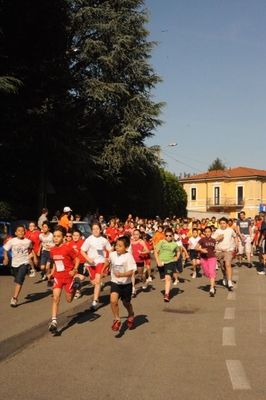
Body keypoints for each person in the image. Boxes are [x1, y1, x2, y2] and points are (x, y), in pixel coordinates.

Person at [47, 226, 80, 333]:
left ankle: (75, 285)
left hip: (68, 277)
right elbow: (56, 263)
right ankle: (54, 321)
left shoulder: (67, 248)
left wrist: (74, 270)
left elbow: (77, 259)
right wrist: (52, 273)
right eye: (54, 236)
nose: (56, 238)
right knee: (55, 298)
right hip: (58, 277)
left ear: (63, 237)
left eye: (58, 236)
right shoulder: (52, 250)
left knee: (69, 300)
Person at [80, 221, 112, 311]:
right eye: (93, 229)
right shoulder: (89, 239)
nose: (95, 230)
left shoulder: (104, 240)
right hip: (91, 263)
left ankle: (95, 301)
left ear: (100, 230)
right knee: (94, 283)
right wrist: (88, 259)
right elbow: (82, 251)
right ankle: (98, 288)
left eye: (97, 229)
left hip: (100, 262)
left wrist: (108, 260)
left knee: (97, 282)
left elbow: (110, 250)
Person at [3, 225, 38, 307]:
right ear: (15, 233)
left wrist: (35, 258)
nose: (21, 232)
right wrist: (6, 258)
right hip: (14, 264)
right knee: (17, 278)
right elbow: (5, 250)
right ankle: (22, 275)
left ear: (25, 232)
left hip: (24, 262)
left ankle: (14, 298)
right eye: (19, 231)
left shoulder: (27, 241)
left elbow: (31, 249)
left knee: (19, 280)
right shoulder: (12, 241)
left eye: (22, 231)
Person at [109, 235, 136, 331]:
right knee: (113, 301)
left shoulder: (128, 257)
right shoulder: (112, 254)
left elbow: (131, 272)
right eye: (116, 245)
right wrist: (103, 270)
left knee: (126, 303)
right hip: (115, 282)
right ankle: (117, 319)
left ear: (126, 247)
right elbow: (108, 261)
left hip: (126, 284)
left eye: (120, 246)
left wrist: (121, 275)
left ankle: (131, 313)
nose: (117, 247)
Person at [154, 227, 180, 302]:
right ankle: (167, 286)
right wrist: (158, 261)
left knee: (168, 278)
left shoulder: (174, 244)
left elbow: (178, 251)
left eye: (170, 235)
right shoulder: (161, 242)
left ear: (172, 236)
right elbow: (156, 252)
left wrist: (177, 257)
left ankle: (167, 294)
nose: (168, 237)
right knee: (163, 279)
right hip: (161, 263)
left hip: (170, 262)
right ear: (164, 236)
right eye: (167, 235)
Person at [212, 217, 238, 289]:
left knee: (228, 264)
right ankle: (225, 276)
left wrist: (236, 244)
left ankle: (230, 281)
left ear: (226, 224)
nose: (222, 225)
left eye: (224, 223)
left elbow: (235, 237)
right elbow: (212, 241)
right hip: (219, 251)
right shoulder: (217, 231)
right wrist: (218, 238)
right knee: (223, 267)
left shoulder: (230, 230)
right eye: (221, 223)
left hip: (228, 250)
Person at [195, 226, 217, 297]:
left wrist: (221, 249)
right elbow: (196, 247)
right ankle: (208, 276)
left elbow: (213, 248)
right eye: (206, 232)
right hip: (204, 259)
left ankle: (212, 288)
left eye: (209, 232)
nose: (207, 233)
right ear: (204, 233)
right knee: (207, 274)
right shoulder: (202, 240)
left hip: (212, 258)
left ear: (211, 232)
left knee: (212, 272)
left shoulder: (213, 240)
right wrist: (201, 250)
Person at [131, 229, 150, 296]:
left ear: (139, 235)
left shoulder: (141, 242)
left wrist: (141, 252)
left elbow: (148, 251)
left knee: (140, 274)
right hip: (133, 260)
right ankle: (133, 289)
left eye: (137, 234)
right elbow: (131, 250)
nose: (135, 236)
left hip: (140, 260)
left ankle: (145, 281)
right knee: (132, 274)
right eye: (134, 234)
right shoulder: (132, 242)